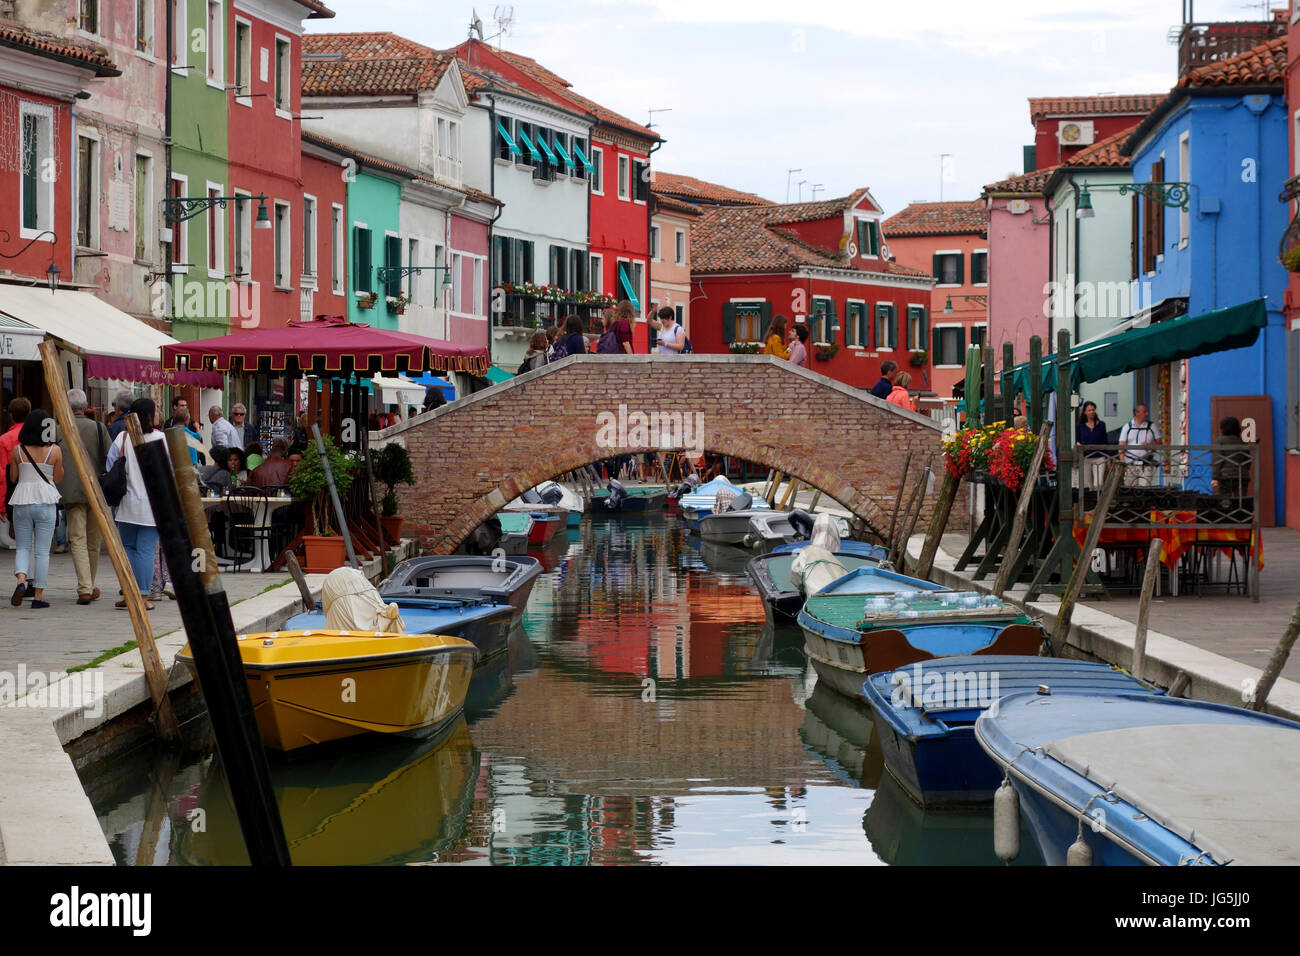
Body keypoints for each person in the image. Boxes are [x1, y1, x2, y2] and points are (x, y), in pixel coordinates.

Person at [105, 398, 169, 611]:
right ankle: (142, 595)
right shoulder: (160, 438)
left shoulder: (123, 437)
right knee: (146, 550)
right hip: (152, 505)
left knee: (129, 550)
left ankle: (129, 592)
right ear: (150, 415)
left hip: (126, 503)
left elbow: (110, 464)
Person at [57, 389, 110, 605]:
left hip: (71, 491)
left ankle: (85, 587)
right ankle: (89, 584)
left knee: (77, 539)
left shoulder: (59, 429)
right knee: (93, 541)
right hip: (95, 489)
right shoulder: (98, 428)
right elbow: (110, 456)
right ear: (85, 406)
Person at [8, 410, 63, 609]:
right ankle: (38, 595)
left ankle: (21, 580)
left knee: (23, 547)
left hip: (22, 500)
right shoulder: (54, 450)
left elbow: (13, 478)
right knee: (42, 551)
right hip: (45, 501)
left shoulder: (17, 451)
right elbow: (58, 478)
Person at [0, 397, 30, 523]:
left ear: (11, 416)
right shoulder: (37, 437)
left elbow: (3, 474)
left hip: (14, 494)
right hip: (37, 494)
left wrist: (2, 505)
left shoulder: (4, 439)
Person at [1118, 404, 1161, 487]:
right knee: (1130, 489)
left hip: (1146, 464)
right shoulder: (1127, 427)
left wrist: (1150, 445)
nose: (1147, 414)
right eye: (1144, 412)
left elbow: (1159, 443)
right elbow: (1121, 447)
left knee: (1145, 489)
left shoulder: (1152, 426)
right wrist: (1123, 463)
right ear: (1137, 413)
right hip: (1130, 464)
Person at [1211, 416, 1251, 498]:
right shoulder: (1243, 442)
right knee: (1241, 502)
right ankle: (1241, 511)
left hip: (1226, 477)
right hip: (1242, 476)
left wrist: (1215, 477)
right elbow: (1248, 462)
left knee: (1225, 503)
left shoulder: (1220, 440)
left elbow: (1218, 460)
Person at [1075, 401, 1108, 491]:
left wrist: (1107, 457)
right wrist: (1078, 444)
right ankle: (1090, 503)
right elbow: (1077, 439)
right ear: (1085, 412)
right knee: (1087, 484)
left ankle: (1098, 501)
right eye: (1089, 410)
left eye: (1093, 410)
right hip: (1086, 457)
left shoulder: (1101, 425)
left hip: (1099, 456)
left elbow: (1105, 441)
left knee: (1099, 483)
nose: (1092, 412)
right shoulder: (1080, 425)